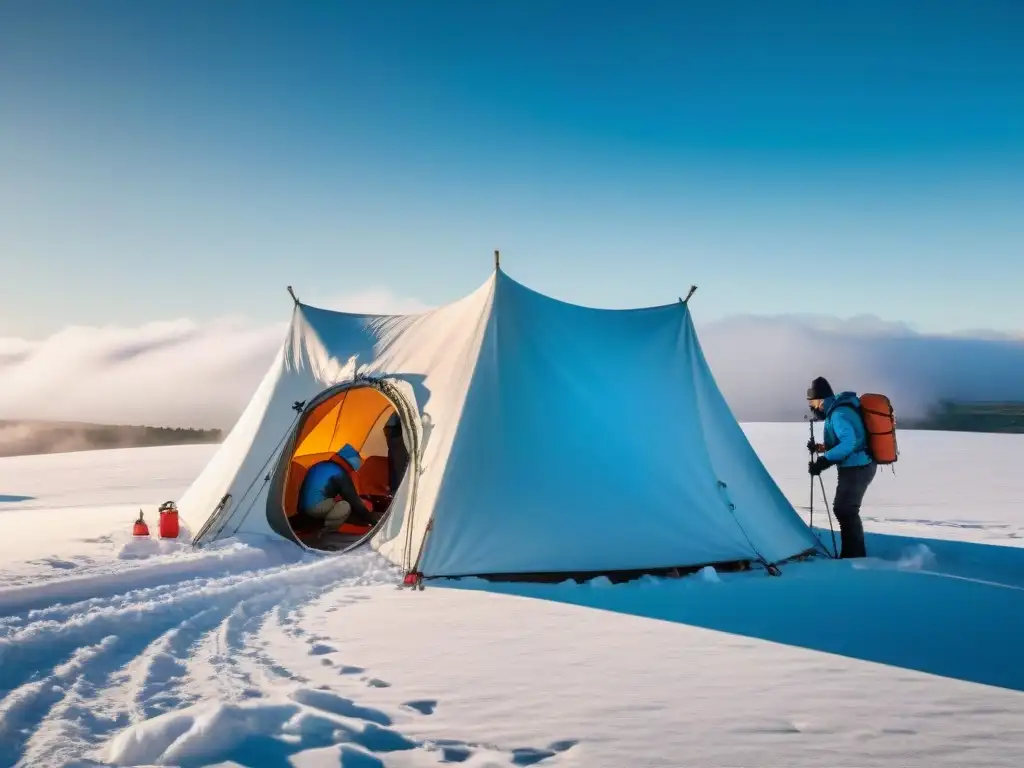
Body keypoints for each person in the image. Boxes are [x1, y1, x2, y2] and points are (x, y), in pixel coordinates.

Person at [806, 376, 876, 558]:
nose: (813, 407)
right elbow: (847, 441)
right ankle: (853, 552)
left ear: (822, 399)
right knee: (845, 509)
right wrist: (821, 449)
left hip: (857, 467)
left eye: (814, 402)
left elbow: (849, 443)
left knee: (845, 509)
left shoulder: (838, 414)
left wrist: (823, 461)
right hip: (857, 465)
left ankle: (853, 555)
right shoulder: (838, 410)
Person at [308, 445, 374, 538]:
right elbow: (353, 500)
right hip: (314, 508)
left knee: (337, 501)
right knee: (344, 506)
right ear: (348, 464)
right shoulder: (339, 473)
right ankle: (327, 532)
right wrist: (371, 519)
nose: (351, 472)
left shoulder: (321, 464)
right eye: (351, 469)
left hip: (301, 509)